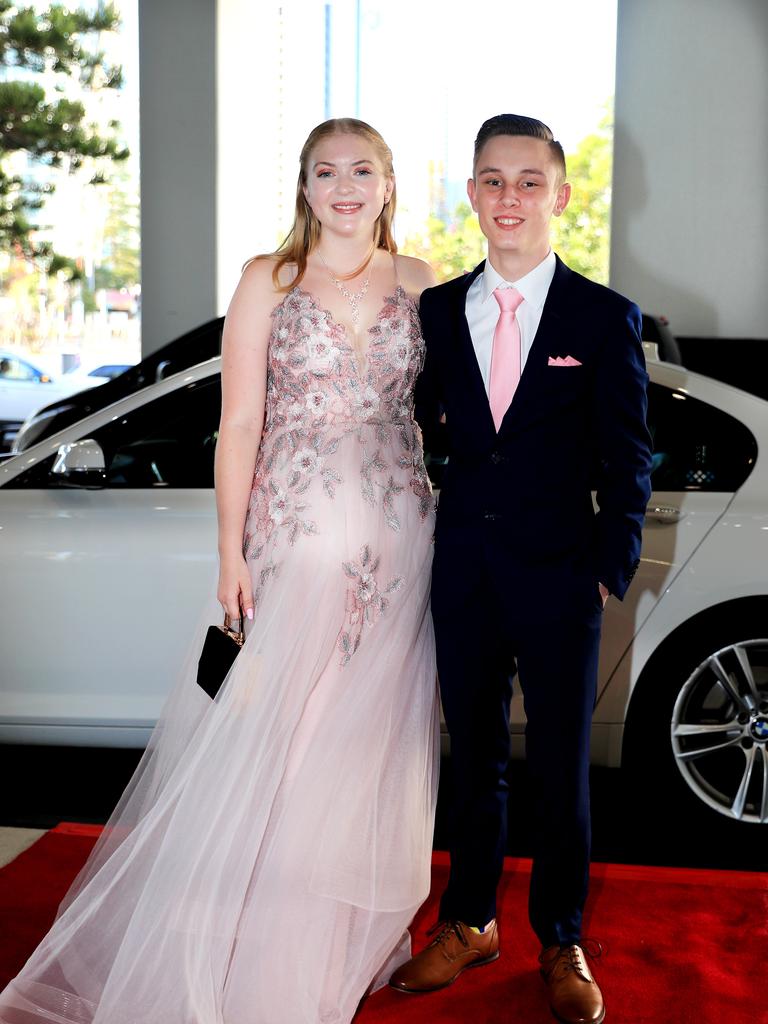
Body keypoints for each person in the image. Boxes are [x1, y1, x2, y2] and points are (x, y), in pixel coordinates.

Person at [0, 118, 440, 1024]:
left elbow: (446, 416)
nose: (345, 186)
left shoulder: (424, 282)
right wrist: (230, 551)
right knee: (281, 736)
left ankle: (330, 928)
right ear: (306, 188)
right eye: (327, 171)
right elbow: (239, 423)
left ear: (388, 184)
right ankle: (260, 932)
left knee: (363, 748)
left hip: (402, 547)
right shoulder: (266, 280)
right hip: (295, 542)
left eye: (362, 170)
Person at [390, 114, 653, 1024]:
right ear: (471, 194)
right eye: (493, 182)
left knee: (561, 769)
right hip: (462, 567)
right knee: (473, 765)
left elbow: (630, 458)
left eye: (529, 182)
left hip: (560, 576)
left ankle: (561, 939)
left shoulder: (603, 317)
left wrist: (606, 567)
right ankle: (468, 922)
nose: (510, 198)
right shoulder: (434, 312)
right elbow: (419, 430)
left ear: (561, 194)